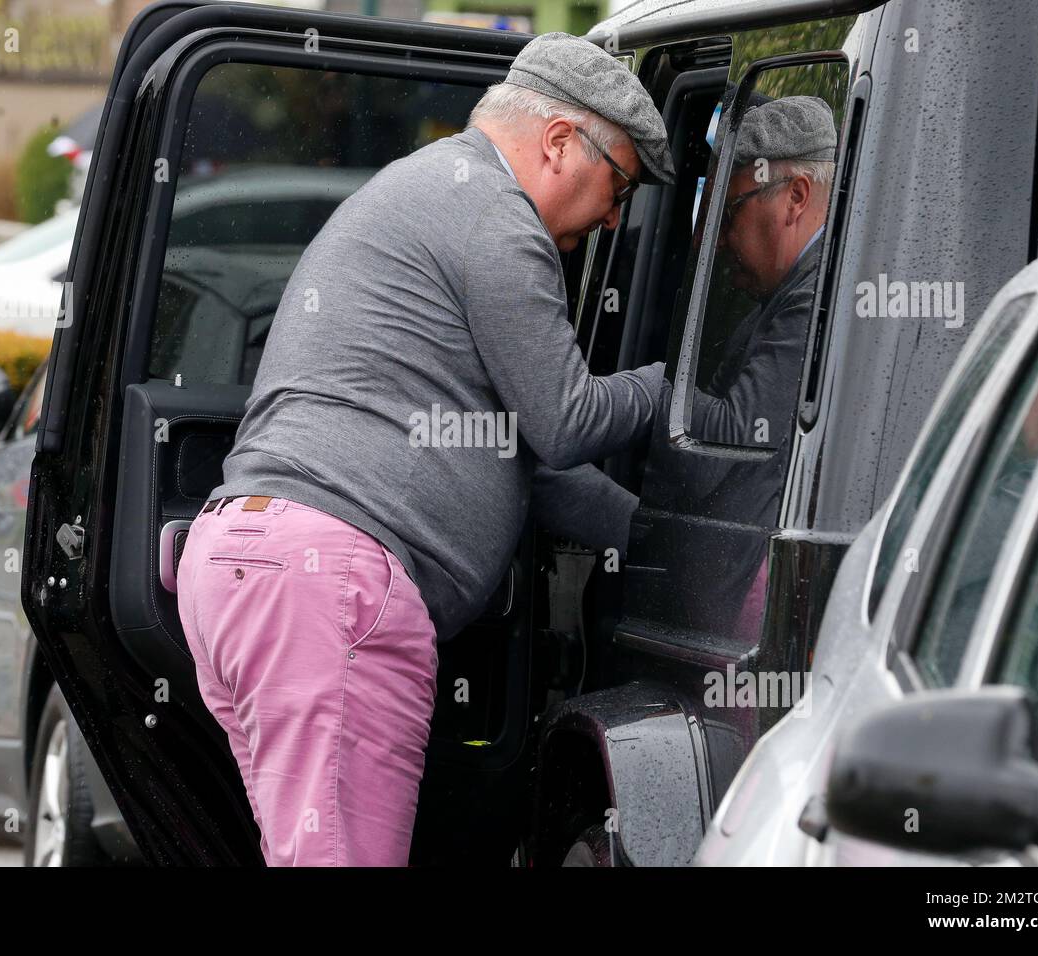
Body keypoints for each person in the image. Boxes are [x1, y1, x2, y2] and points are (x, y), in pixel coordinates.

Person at [175, 32, 676, 866]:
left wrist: (655, 536)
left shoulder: (426, 193)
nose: (616, 215)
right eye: (619, 182)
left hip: (249, 562)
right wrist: (679, 384)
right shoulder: (496, 219)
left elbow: (527, 460)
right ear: (559, 143)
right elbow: (566, 421)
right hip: (326, 588)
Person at [690, 94, 837, 449]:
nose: (718, 241)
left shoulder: (818, 301)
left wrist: (646, 393)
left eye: (729, 214)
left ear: (796, 197)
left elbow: (731, 443)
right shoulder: (782, 296)